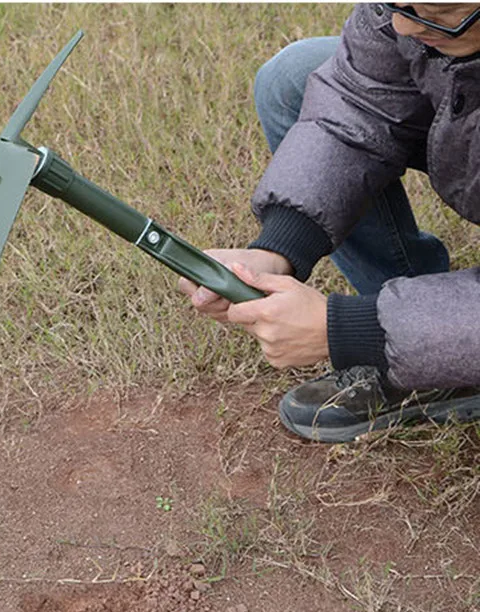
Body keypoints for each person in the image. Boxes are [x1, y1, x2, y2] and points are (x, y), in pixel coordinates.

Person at [179, 3, 480, 443]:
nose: (402, 26)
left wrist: (354, 331)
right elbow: (356, 104)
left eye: (437, 11)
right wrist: (280, 246)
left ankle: (433, 348)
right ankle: (428, 344)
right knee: (295, 78)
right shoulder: (409, 17)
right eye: (399, 3)